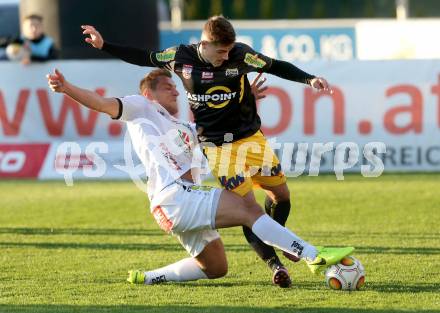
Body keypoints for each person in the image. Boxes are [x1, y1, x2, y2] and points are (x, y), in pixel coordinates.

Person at [81, 16, 332, 288]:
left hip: (250, 139)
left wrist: (309, 79)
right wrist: (105, 44)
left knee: (281, 196)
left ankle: (282, 238)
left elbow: (275, 66)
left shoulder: (242, 55)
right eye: (220, 51)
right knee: (247, 207)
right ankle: (276, 265)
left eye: (228, 51)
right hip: (216, 147)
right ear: (204, 44)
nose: (225, 57)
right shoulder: (180, 57)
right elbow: (144, 56)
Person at [46, 67, 353, 285]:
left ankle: (148, 277)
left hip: (174, 207)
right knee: (248, 208)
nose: (174, 90)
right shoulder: (141, 108)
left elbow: (217, 126)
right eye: (167, 86)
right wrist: (67, 88)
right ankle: (312, 255)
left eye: (175, 87)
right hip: (174, 196)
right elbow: (101, 104)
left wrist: (246, 100)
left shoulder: (184, 127)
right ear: (147, 93)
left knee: (216, 267)